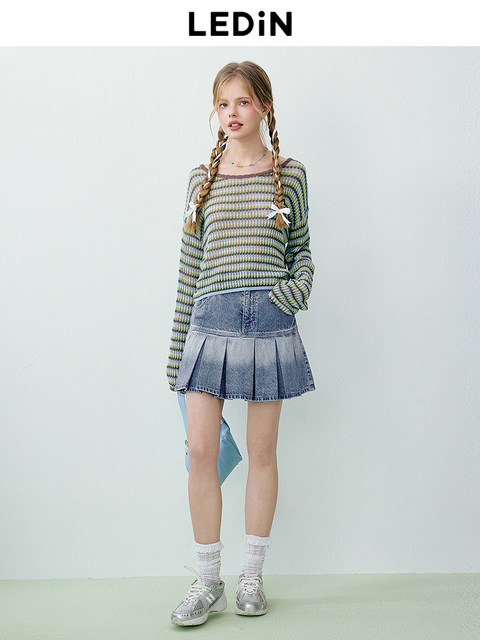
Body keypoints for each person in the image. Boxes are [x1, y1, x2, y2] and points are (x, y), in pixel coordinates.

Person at [166, 60, 316, 626]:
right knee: (202, 452)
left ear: (264, 107)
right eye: (224, 103)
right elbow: (189, 269)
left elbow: (302, 251)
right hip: (209, 325)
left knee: (262, 453)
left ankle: (251, 575)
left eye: (244, 101)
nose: (233, 112)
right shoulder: (200, 181)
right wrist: (176, 357)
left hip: (269, 325)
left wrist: (295, 290)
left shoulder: (290, 175)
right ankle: (208, 582)